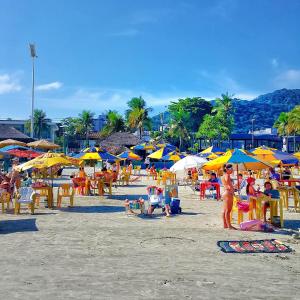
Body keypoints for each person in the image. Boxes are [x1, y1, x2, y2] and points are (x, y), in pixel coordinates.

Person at [221, 164, 236, 230]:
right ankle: (229, 226)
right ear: (227, 169)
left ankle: (225, 224)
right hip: (228, 193)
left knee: (224, 210)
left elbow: (226, 182)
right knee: (228, 210)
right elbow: (227, 181)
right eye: (231, 169)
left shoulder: (223, 175)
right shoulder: (227, 175)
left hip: (225, 192)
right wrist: (231, 187)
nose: (232, 170)